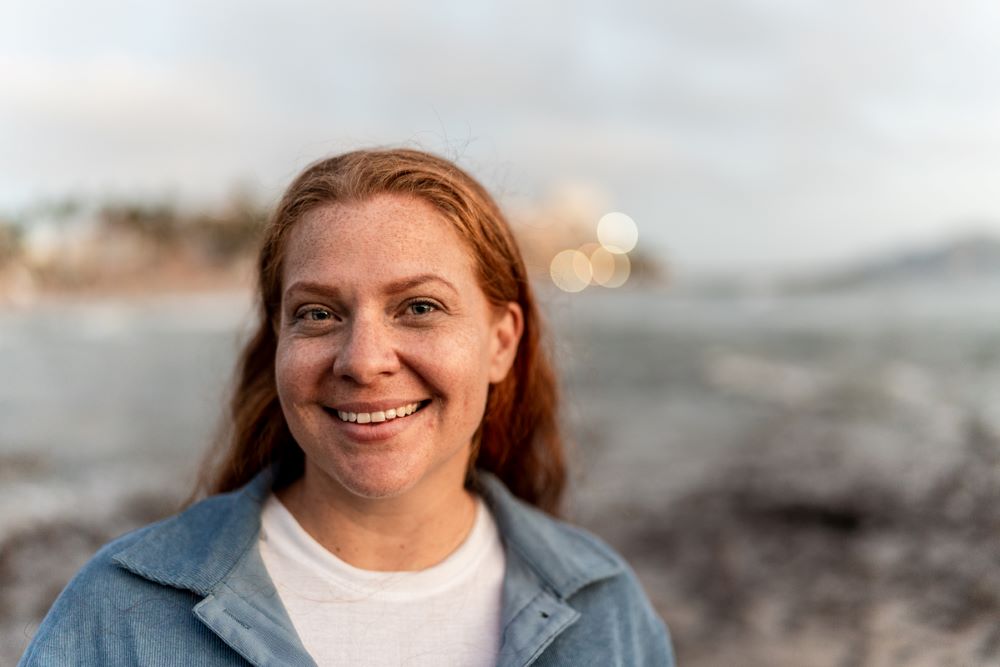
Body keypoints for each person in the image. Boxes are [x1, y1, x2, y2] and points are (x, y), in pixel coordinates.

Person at [19, 149, 675, 666]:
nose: (363, 360)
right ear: (279, 340)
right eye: (318, 313)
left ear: (502, 341)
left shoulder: (605, 611)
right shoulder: (119, 613)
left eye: (418, 307)